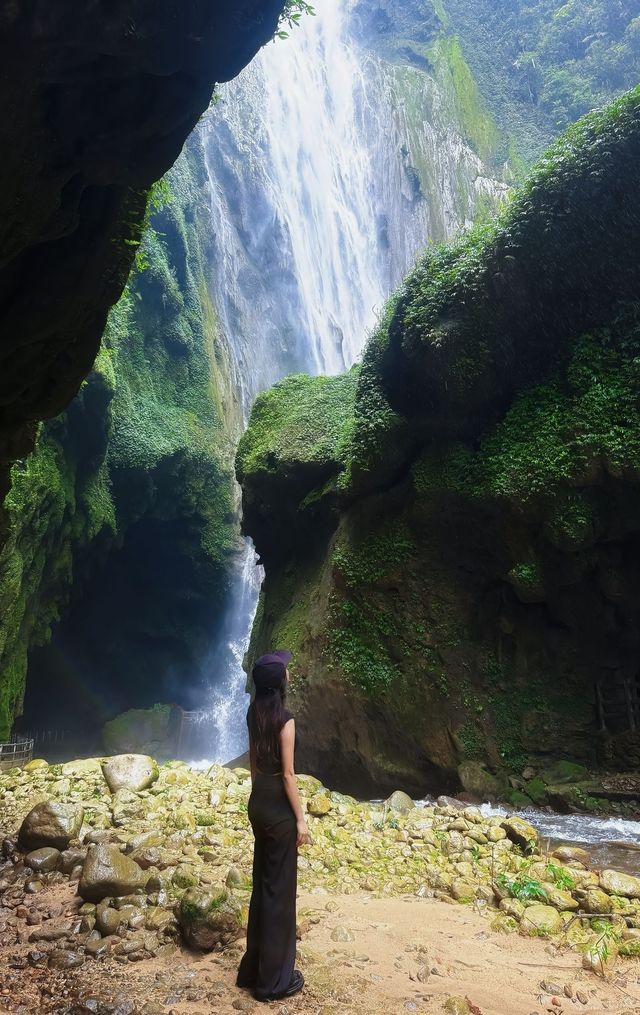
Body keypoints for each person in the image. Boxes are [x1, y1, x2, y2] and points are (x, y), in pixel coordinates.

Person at [236, 649, 312, 1002]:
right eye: (286, 670)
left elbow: (255, 762)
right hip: (280, 812)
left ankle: (253, 970)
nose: (289, 673)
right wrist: (301, 820)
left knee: (262, 887)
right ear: (279, 680)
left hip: (258, 804)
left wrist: (258, 799)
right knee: (279, 893)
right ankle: (273, 982)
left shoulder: (253, 712)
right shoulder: (286, 719)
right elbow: (288, 774)